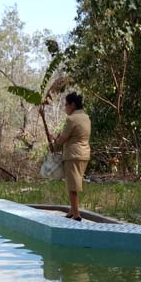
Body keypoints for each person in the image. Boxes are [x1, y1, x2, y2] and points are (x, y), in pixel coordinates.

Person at [53, 93, 91, 221]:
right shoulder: (86, 117)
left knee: (72, 185)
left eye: (66, 104)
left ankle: (76, 214)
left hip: (73, 154)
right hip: (84, 153)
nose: (65, 107)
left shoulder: (71, 119)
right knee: (74, 181)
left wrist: (56, 140)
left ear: (72, 105)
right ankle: (71, 210)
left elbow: (62, 139)